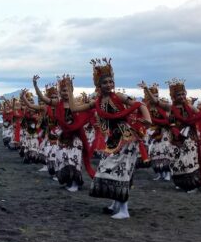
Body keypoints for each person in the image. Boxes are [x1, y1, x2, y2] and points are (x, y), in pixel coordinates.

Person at [65, 59, 152, 219]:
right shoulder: (97, 102)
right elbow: (74, 108)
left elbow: (139, 104)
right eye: (105, 82)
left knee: (122, 172)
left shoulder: (118, 96)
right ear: (98, 85)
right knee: (108, 169)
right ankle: (116, 204)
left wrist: (148, 120)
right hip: (113, 139)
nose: (109, 84)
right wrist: (71, 91)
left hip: (126, 138)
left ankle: (124, 210)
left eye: (110, 81)